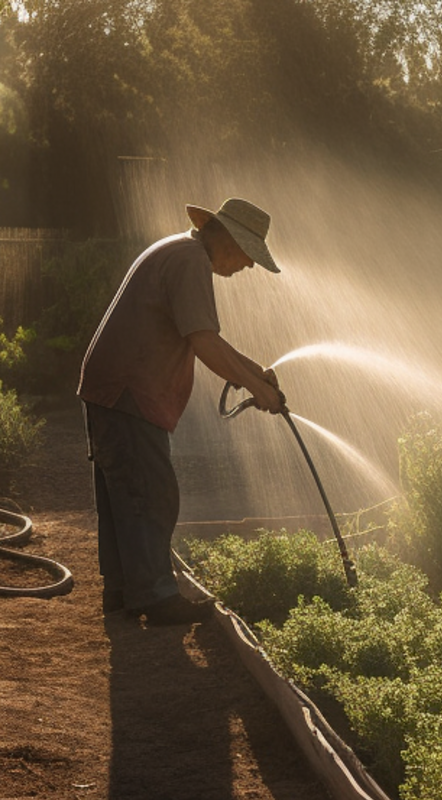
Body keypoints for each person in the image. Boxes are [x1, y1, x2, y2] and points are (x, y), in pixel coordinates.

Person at [78, 197, 288, 624]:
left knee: (125, 494)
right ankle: (155, 599)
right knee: (149, 493)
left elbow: (206, 338)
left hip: (114, 387)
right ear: (227, 238)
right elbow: (204, 342)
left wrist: (255, 374)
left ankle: (122, 593)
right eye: (249, 255)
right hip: (129, 390)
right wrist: (255, 388)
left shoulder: (179, 250)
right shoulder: (191, 260)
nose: (248, 266)